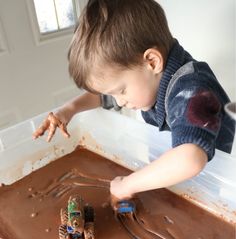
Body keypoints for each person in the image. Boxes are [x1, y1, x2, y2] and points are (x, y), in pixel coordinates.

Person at [33, 0, 235, 202]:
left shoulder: (193, 88)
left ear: (152, 62)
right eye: (114, 94)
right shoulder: (149, 80)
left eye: (121, 91)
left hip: (206, 187)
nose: (119, 103)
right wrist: (68, 110)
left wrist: (128, 185)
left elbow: (190, 159)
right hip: (170, 174)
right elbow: (101, 95)